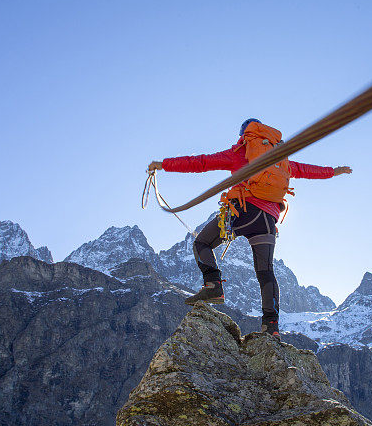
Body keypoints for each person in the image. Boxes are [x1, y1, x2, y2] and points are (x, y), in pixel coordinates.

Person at [148, 118, 351, 336]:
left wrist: (163, 164)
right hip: (268, 221)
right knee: (265, 272)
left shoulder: (240, 152)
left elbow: (201, 162)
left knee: (202, 243)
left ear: (243, 134)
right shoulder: (278, 158)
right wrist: (334, 171)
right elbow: (305, 169)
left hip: (243, 211)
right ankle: (271, 327)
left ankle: (213, 285)